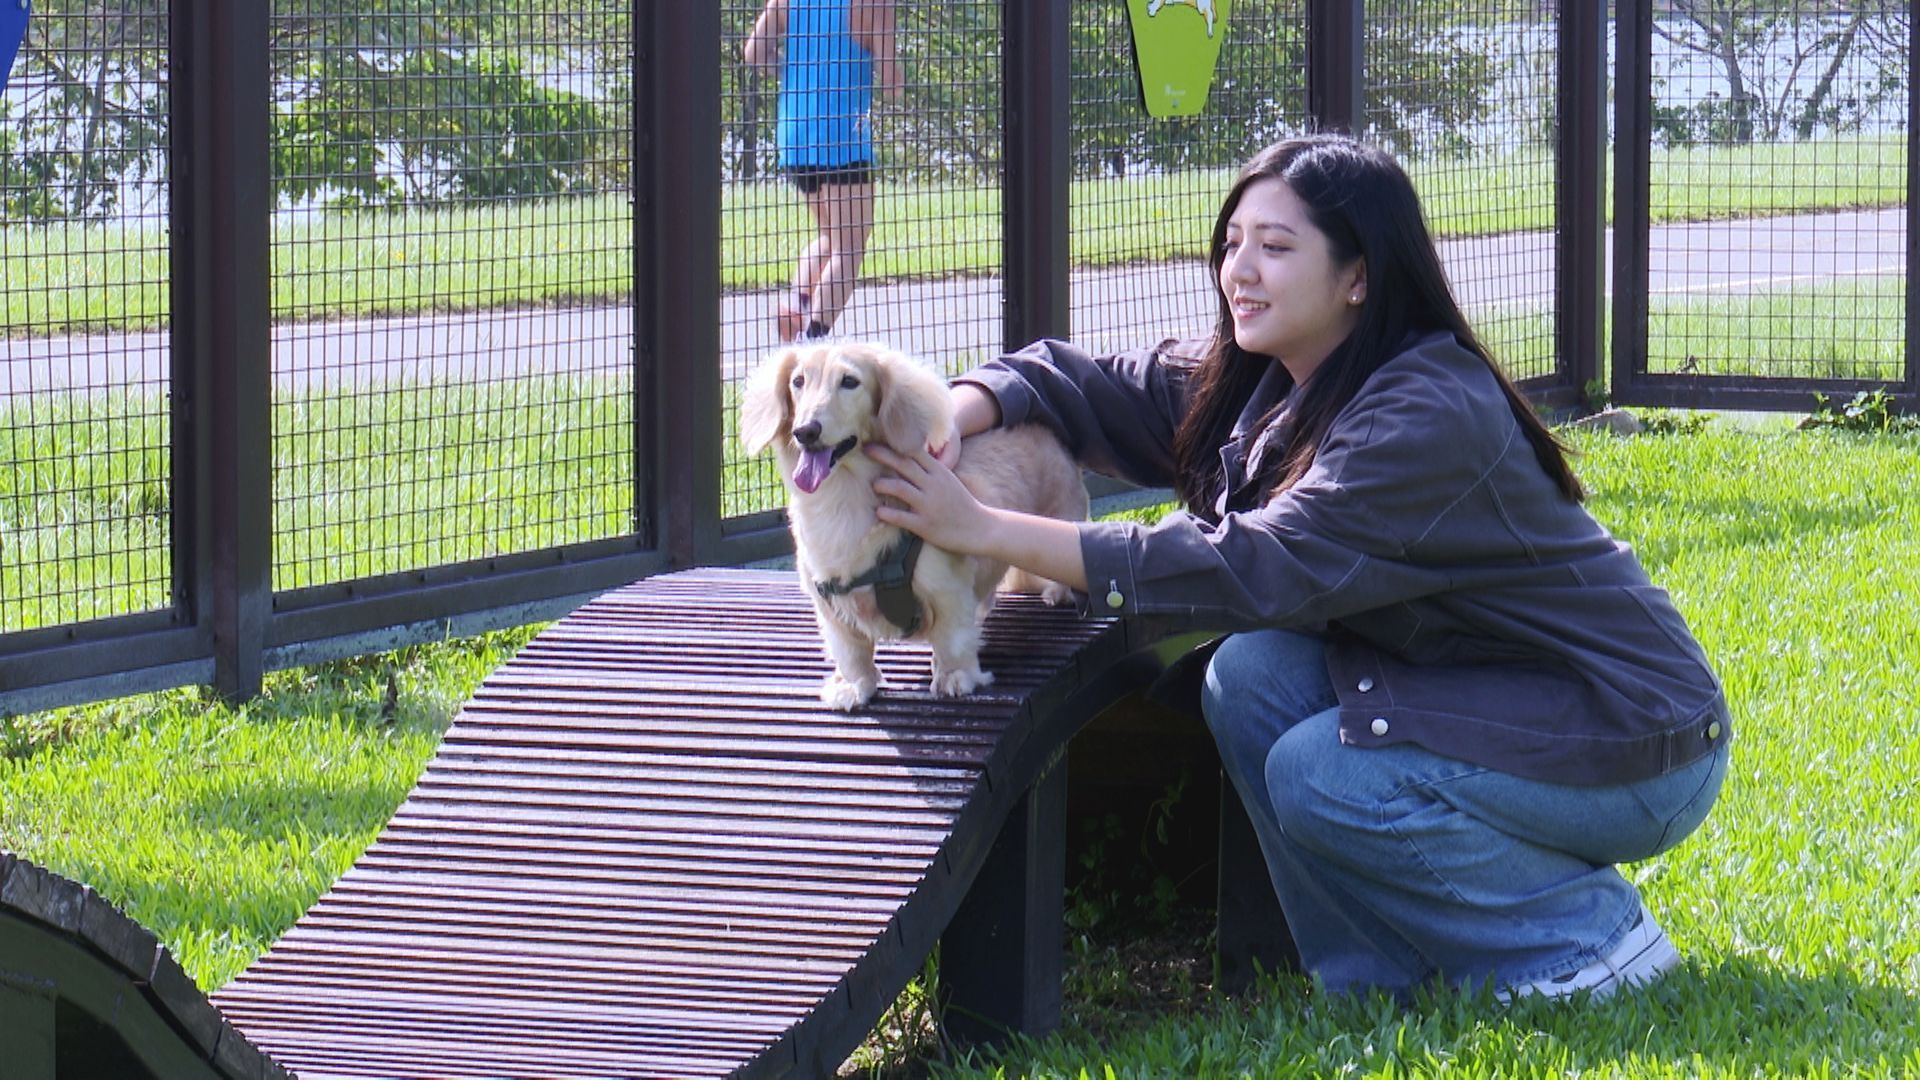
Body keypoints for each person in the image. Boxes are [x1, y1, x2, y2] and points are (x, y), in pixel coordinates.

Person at [867, 134, 1732, 1002]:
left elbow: (1253, 567)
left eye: (1276, 248)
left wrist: (981, 527)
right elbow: (1074, 379)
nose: (1239, 270)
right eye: (1233, 242)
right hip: (1487, 690)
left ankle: (1588, 944)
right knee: (1251, 675)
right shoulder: (1269, 376)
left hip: (1631, 735)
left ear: (1359, 275)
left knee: (1321, 770)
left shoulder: (1426, 411)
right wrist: (953, 421)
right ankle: (1370, 981)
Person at [745, 0, 902, 343]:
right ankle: (811, 340)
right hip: (842, 136)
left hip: (795, 132)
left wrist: (791, 69)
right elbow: (892, 82)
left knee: (833, 236)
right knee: (850, 248)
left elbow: (754, 52)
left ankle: (798, 306)